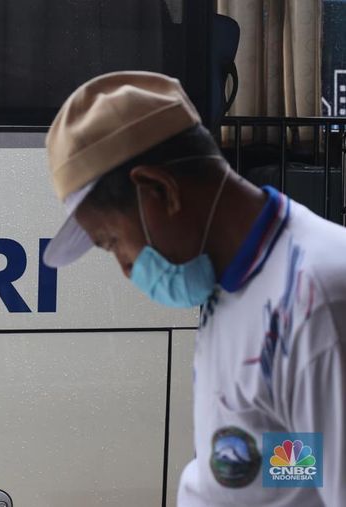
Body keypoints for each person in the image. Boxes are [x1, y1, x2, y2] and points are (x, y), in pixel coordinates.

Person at [42, 71, 345, 506]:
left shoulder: (318, 302)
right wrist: (253, 463)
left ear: (160, 191)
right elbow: (305, 454)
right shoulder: (230, 286)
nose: (126, 268)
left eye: (112, 242)